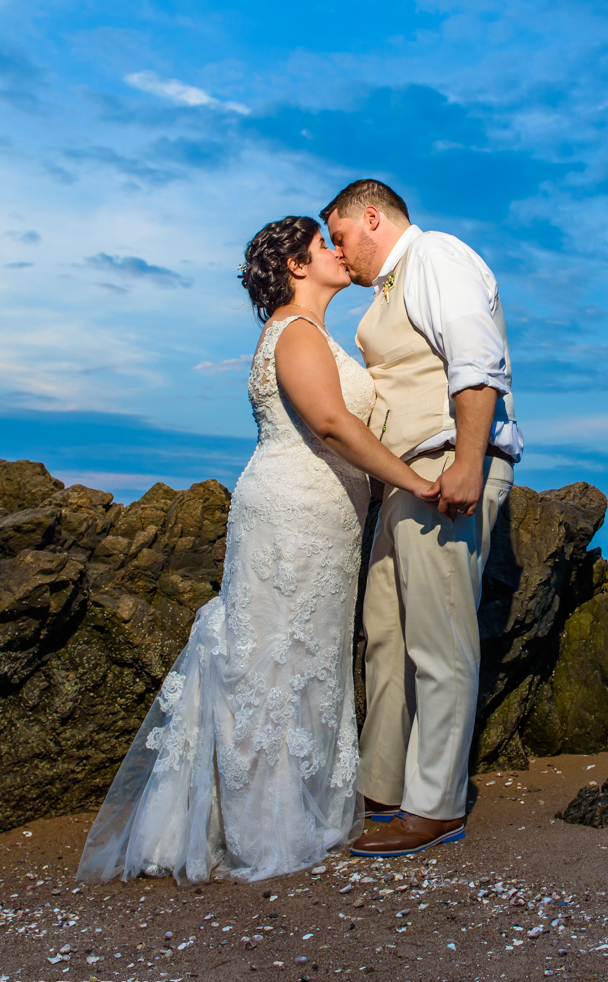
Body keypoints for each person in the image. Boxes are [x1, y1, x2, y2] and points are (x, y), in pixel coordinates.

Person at [76, 215, 438, 884]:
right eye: (323, 245)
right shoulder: (296, 334)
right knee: (273, 658)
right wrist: (414, 480)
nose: (337, 253)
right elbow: (330, 424)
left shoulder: (314, 334)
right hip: (291, 512)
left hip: (325, 517)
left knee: (307, 658)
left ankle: (298, 813)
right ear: (298, 266)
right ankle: (259, 829)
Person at [323, 179, 521, 858]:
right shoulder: (390, 286)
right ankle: (384, 785)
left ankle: (435, 804)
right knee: (386, 632)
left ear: (372, 217)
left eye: (341, 236)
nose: (337, 253)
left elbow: (476, 357)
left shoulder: (436, 256)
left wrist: (467, 461)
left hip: (445, 471)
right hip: (406, 481)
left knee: (440, 641)